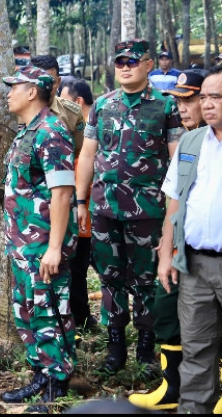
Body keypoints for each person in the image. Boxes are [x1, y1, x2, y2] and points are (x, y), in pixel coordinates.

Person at [76, 39, 184, 376]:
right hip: (106, 211)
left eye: (133, 62)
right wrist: (81, 201)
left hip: (148, 213)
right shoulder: (103, 105)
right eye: (120, 61)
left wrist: (174, 212)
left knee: (148, 280)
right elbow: (88, 155)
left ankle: (147, 346)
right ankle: (116, 346)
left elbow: (178, 159)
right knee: (110, 280)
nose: (125, 67)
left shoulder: (166, 106)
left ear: (148, 65)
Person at [128, 69, 208, 411]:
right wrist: (168, 242)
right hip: (180, 247)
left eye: (190, 100)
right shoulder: (186, 143)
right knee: (165, 310)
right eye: (179, 100)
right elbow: (174, 199)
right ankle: (171, 387)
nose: (183, 108)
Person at [0, 66, 77, 411]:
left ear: (32, 91)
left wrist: (55, 248)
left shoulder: (51, 131)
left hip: (44, 244)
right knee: (28, 310)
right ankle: (39, 372)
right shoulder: (28, 131)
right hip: (24, 244)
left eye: (14, 87)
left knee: (49, 311)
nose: (8, 93)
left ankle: (57, 381)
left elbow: (62, 194)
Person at [155, 70, 222, 414]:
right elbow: (175, 202)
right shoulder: (191, 143)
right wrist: (166, 254)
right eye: (205, 97)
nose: (208, 104)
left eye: (217, 97)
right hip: (194, 263)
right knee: (197, 346)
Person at [58, 79, 98, 333]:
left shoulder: (92, 128)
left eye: (64, 101)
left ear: (78, 102)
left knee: (80, 267)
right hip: (82, 209)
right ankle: (82, 317)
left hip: (90, 208)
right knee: (78, 268)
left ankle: (83, 317)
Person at [31, 55, 86, 158]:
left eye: (51, 82)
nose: (46, 88)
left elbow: (81, 153)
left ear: (59, 82)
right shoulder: (17, 111)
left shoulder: (71, 113)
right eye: (40, 82)